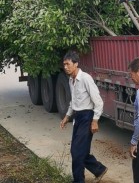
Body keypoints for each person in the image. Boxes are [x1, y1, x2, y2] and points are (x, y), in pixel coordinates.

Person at [60, 51, 107, 183]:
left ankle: (78, 180)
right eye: (64, 64)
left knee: (77, 151)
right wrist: (67, 117)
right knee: (79, 151)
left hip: (87, 117)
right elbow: (73, 101)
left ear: (76, 64)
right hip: (78, 117)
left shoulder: (86, 78)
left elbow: (98, 101)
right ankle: (99, 169)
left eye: (68, 64)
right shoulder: (71, 80)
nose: (65, 67)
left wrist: (95, 121)